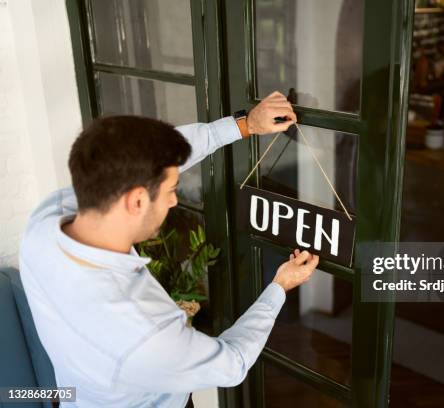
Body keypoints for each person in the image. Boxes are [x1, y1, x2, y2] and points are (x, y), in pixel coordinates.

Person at [19, 91, 319, 408]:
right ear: (135, 201)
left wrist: (246, 125)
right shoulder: (145, 330)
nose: (175, 201)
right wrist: (280, 286)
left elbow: (146, 161)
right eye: (171, 191)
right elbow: (233, 364)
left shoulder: (43, 224)